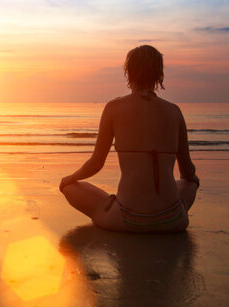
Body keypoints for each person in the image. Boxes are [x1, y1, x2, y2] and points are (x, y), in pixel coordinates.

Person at [59, 45, 199, 232]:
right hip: (173, 220)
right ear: (159, 74)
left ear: (129, 72)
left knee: (70, 187)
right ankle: (170, 211)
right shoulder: (174, 111)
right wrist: (190, 181)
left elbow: (95, 164)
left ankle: (113, 206)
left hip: (126, 220)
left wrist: (69, 178)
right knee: (188, 182)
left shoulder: (114, 108)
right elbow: (187, 171)